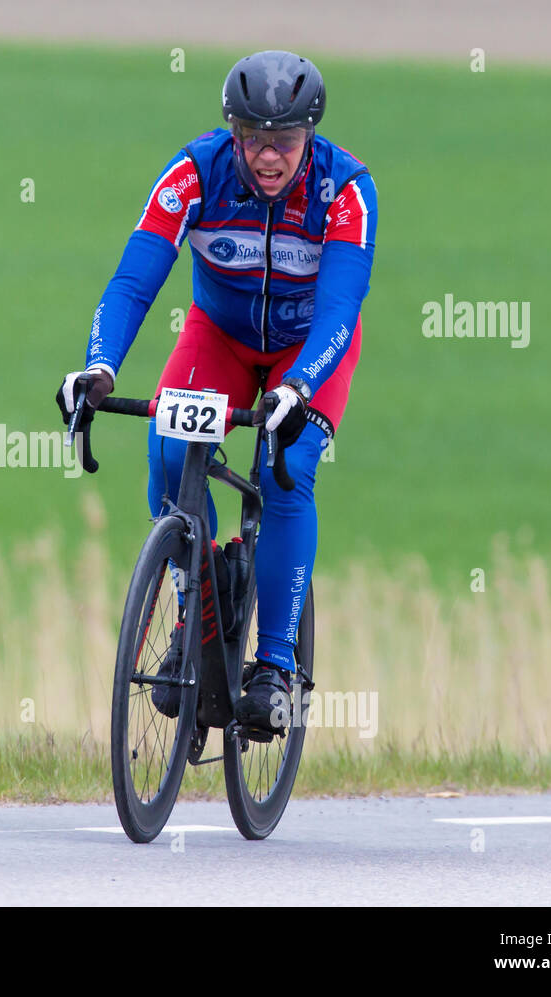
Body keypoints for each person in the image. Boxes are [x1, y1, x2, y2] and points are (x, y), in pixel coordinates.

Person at [57, 50, 377, 733]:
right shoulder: (194, 173)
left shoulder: (345, 191)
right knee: (171, 453)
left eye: (284, 142)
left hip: (308, 349)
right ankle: (194, 603)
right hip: (221, 336)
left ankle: (276, 665)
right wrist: (99, 368)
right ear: (232, 133)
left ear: (309, 138)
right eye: (254, 140)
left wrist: (299, 386)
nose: (267, 157)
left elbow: (340, 309)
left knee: (283, 472)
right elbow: (133, 282)